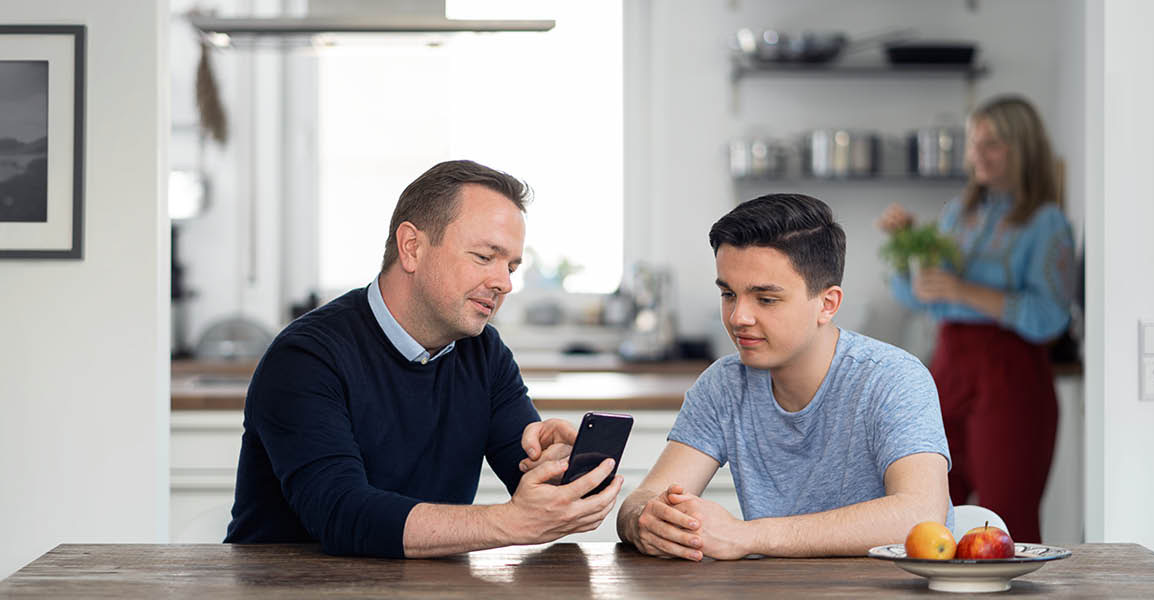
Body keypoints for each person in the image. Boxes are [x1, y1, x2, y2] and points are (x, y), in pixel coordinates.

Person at [225, 160, 622, 557]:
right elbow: (340, 514)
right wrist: (510, 522)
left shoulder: (485, 354)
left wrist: (563, 472)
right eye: (485, 257)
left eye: (512, 265)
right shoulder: (306, 357)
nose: (504, 282)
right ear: (412, 247)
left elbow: (533, 492)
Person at [617, 194, 952, 561]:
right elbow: (641, 501)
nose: (738, 317)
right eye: (728, 294)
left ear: (828, 304)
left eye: (766, 299)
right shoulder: (724, 385)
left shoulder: (893, 378)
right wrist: (645, 522)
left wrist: (746, 536)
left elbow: (921, 515)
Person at [878, 95, 1076, 543]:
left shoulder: (1047, 224)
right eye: (973, 143)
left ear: (1022, 149)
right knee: (928, 511)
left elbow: (1050, 317)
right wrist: (907, 247)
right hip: (947, 369)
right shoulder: (957, 215)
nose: (976, 156)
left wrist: (964, 291)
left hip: (1012, 378)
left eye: (991, 144)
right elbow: (921, 297)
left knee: (1008, 520)